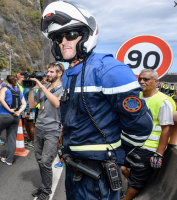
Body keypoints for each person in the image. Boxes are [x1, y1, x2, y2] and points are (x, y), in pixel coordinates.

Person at [41, 2, 153, 199]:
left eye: (71, 35)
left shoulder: (110, 70)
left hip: (99, 172)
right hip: (74, 168)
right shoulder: (68, 75)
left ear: (86, 35)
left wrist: (118, 153)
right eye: (59, 37)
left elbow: (140, 125)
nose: (63, 41)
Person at [121, 69, 175, 200]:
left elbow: (166, 130)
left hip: (149, 148)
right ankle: (137, 190)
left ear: (156, 82)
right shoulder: (136, 97)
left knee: (137, 179)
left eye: (146, 79)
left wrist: (158, 154)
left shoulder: (163, 101)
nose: (142, 81)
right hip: (130, 144)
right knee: (121, 167)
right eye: (140, 79)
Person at [28, 62, 64, 199]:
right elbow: (32, 104)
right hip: (39, 128)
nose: (47, 74)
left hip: (52, 130)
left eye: (51, 72)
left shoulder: (63, 88)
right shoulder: (46, 87)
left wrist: (42, 87)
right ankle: (43, 186)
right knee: (39, 159)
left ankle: (46, 191)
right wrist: (31, 89)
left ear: (59, 73)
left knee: (45, 162)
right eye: (47, 71)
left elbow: (57, 103)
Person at [0, 75, 26, 166]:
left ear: (6, 81)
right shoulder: (18, 90)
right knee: (11, 138)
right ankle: (9, 160)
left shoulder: (4, 89)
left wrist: (9, 110)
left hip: (4, 116)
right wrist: (19, 112)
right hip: (16, 117)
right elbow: (24, 104)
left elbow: (1, 100)